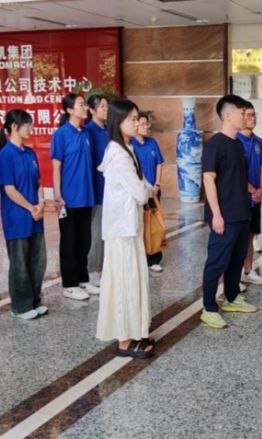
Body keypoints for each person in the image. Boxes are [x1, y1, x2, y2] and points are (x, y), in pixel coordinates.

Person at [96, 99, 155, 358]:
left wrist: (147, 188)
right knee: (123, 282)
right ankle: (124, 340)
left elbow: (141, 184)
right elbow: (140, 192)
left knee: (133, 280)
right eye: (131, 119)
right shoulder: (118, 154)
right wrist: (148, 190)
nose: (136, 122)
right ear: (118, 122)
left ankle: (135, 329)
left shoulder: (127, 148)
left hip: (130, 227)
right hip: (121, 230)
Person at [199, 95, 259, 330]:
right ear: (227, 116)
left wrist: (254, 191)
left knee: (236, 260)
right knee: (217, 261)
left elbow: (237, 178)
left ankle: (232, 297)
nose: (245, 116)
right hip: (224, 215)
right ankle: (208, 308)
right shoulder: (215, 144)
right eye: (241, 113)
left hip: (241, 212)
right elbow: (208, 179)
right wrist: (216, 214)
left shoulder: (237, 144)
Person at [0, 109, 48, 320]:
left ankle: (35, 300)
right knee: (19, 262)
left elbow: (38, 182)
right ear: (14, 127)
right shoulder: (5, 155)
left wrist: (41, 203)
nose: (31, 128)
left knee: (37, 260)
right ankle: (21, 305)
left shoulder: (30, 153)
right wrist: (31, 208)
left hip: (36, 215)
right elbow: (10, 190)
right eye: (27, 124)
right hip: (17, 217)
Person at [51, 93, 101, 301]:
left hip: (86, 195)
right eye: (81, 105)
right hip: (69, 198)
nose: (85, 108)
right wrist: (57, 194)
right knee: (69, 242)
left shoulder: (86, 133)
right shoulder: (61, 135)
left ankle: (83, 279)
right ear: (69, 110)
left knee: (84, 240)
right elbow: (56, 167)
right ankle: (69, 284)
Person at [236, 101, 262, 286]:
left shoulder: (259, 142)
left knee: (250, 235)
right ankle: (234, 276)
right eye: (249, 115)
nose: (253, 118)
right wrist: (252, 190)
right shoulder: (235, 142)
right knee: (238, 237)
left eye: (254, 115)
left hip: (256, 198)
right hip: (241, 197)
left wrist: (261, 189)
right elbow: (236, 173)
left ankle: (248, 270)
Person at [131, 111, 165, 273]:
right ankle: (140, 258)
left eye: (147, 124)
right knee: (140, 225)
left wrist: (157, 185)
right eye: (143, 124)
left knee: (154, 226)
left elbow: (159, 163)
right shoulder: (130, 145)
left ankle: (154, 258)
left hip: (154, 193)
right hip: (139, 193)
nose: (146, 127)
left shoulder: (152, 143)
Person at [85, 94, 109, 287]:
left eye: (106, 106)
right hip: (97, 190)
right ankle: (92, 270)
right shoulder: (88, 132)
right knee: (96, 232)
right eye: (102, 106)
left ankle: (105, 269)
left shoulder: (109, 130)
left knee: (107, 232)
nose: (106, 110)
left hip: (111, 190)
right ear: (92, 110)